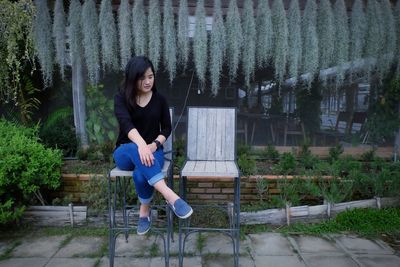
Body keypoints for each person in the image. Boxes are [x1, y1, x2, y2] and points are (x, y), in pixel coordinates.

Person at [113, 56, 193, 235]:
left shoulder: (160, 100)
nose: (148, 81)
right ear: (132, 78)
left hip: (153, 149)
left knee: (141, 176)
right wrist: (141, 145)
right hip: (125, 151)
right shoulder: (121, 98)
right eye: (142, 78)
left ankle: (144, 212)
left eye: (151, 76)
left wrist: (155, 144)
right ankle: (171, 197)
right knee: (135, 149)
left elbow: (166, 127)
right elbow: (126, 124)